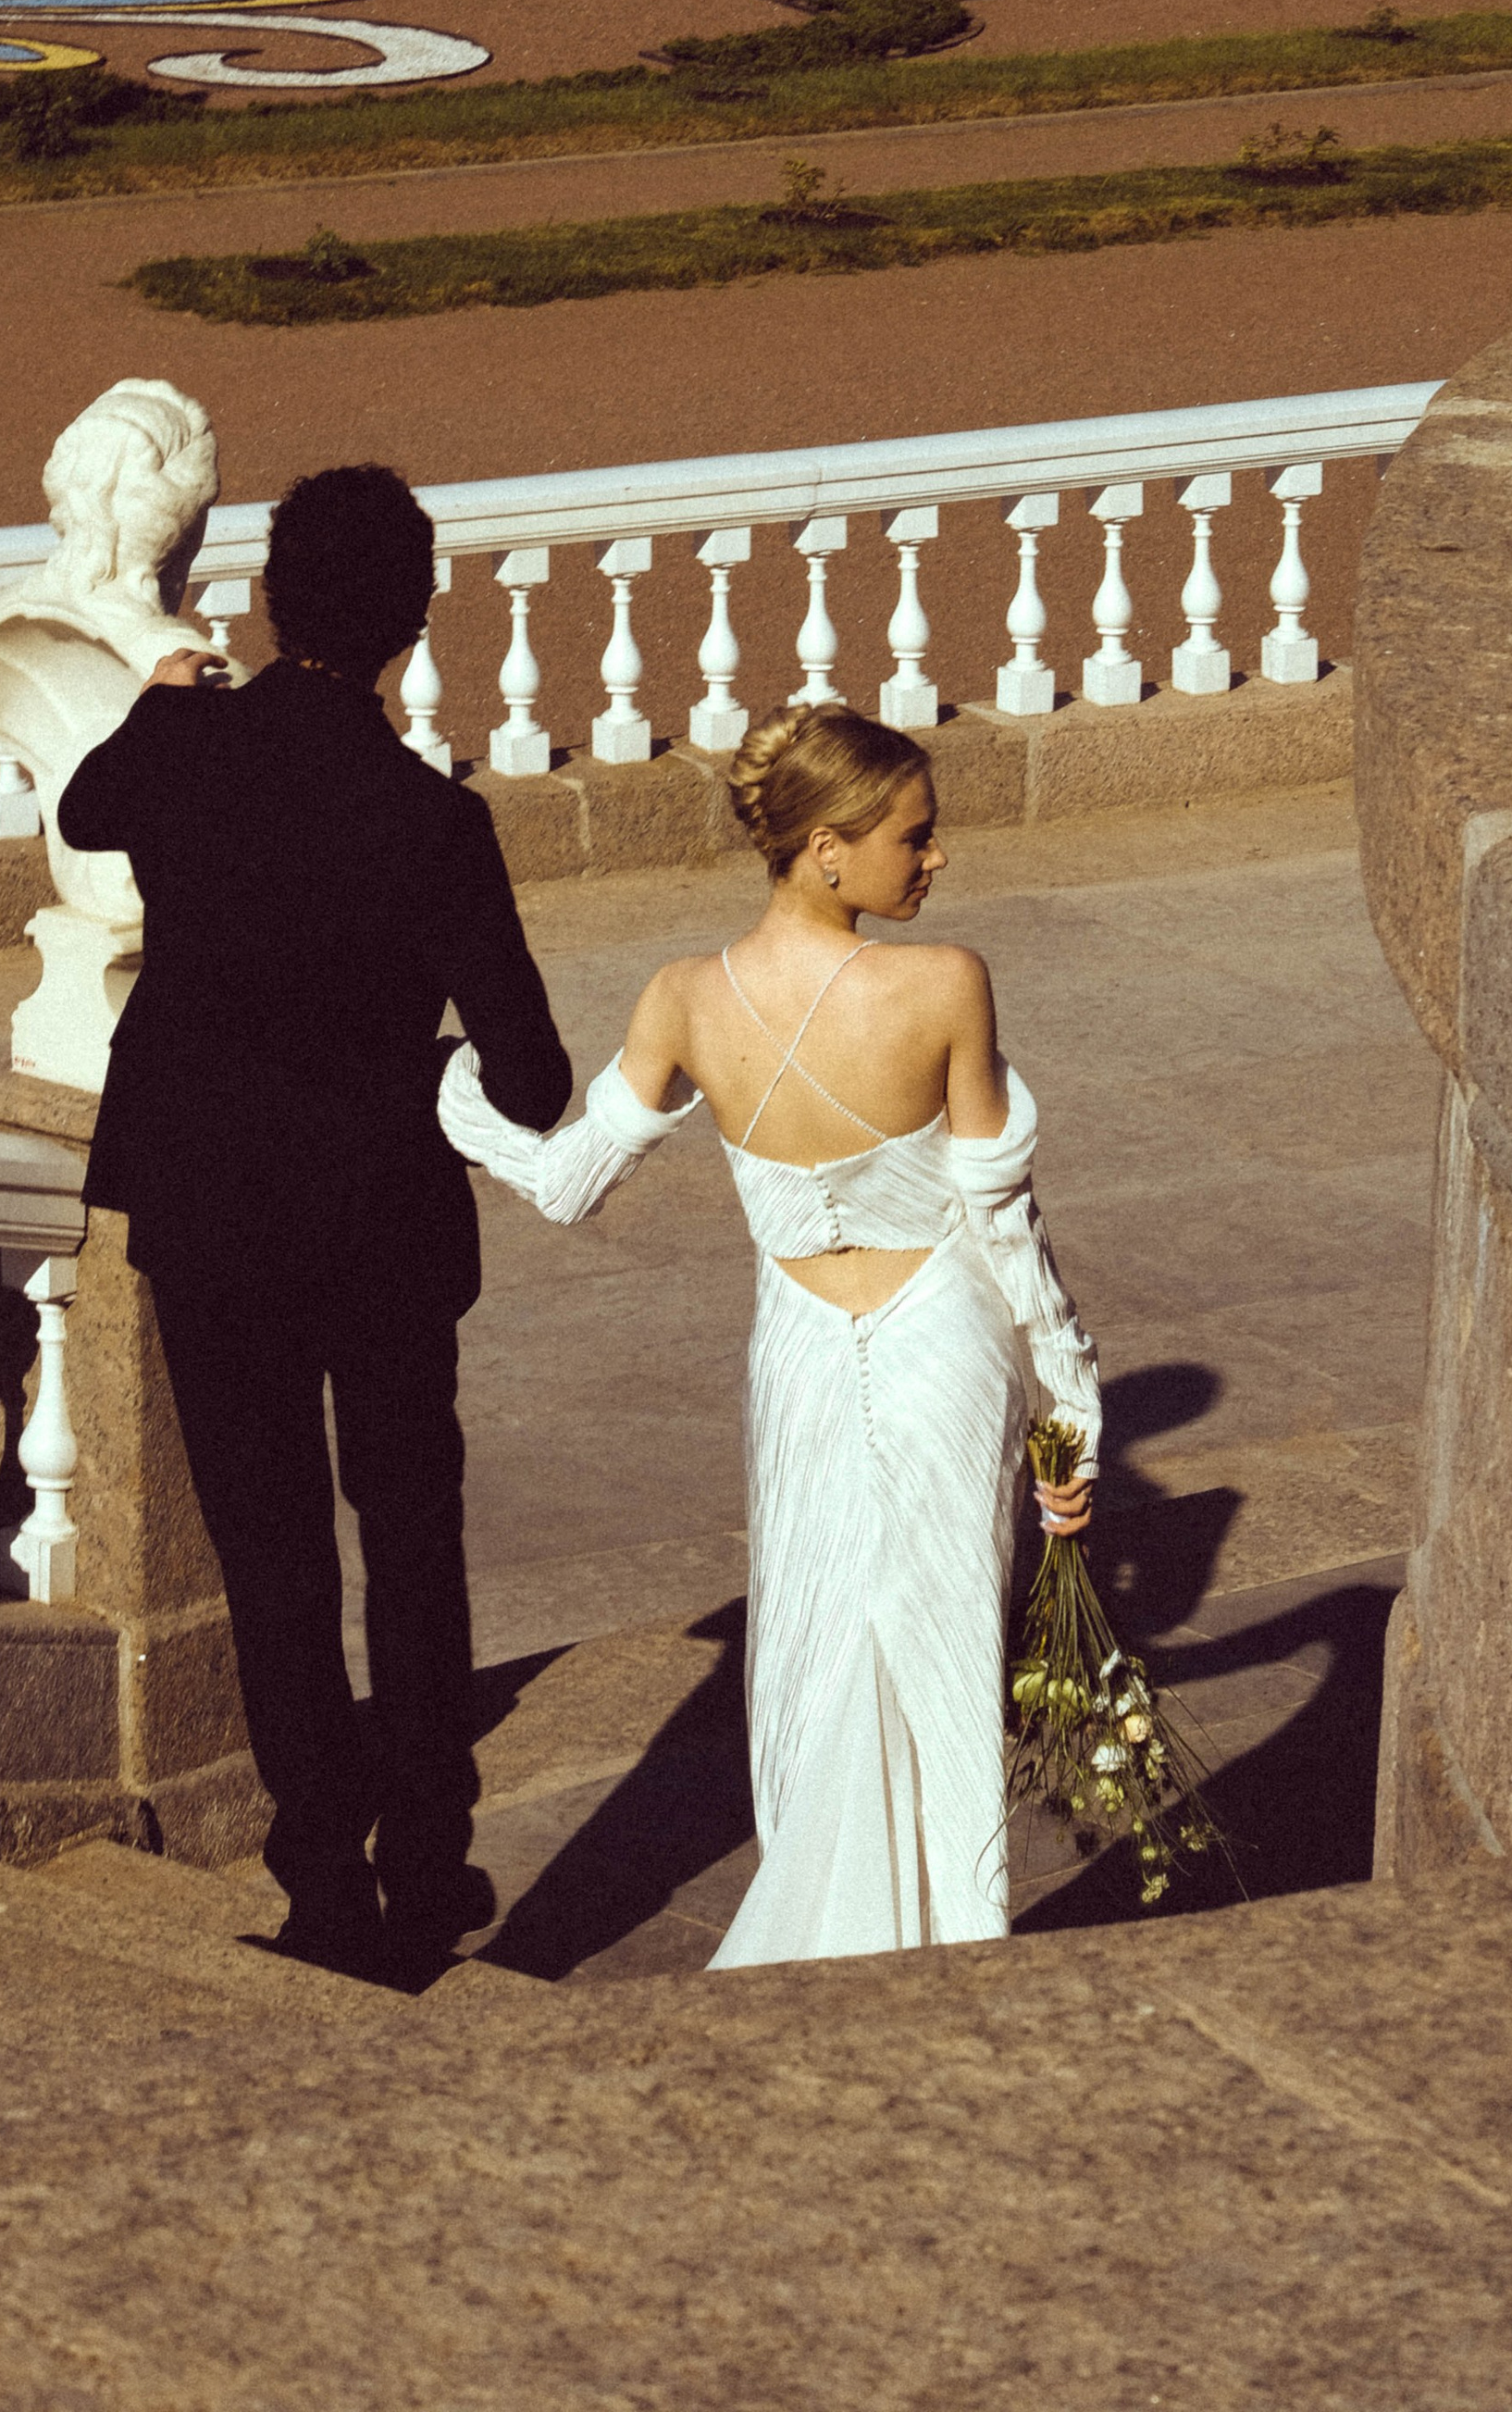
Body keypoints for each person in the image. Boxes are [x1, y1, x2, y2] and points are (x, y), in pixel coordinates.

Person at [440, 705, 1098, 1969]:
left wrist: (455, 1100)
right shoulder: (946, 983)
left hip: (803, 1350)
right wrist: (1069, 1411)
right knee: (942, 1639)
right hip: (940, 1349)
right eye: (915, 835)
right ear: (827, 848)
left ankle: (838, 1942)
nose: (938, 858)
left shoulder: (684, 999)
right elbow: (1003, 1224)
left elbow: (570, 1184)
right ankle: (957, 1941)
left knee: (810, 1632)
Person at [58, 464, 571, 1975]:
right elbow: (533, 1082)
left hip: (213, 1216)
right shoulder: (436, 825)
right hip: (383, 1227)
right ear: (415, 617)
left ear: (272, 602)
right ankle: (429, 1856)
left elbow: (89, 812)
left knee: (271, 1551)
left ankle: (320, 1880)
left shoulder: (188, 752)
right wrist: (414, 1069)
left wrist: (164, 692)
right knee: (410, 1538)